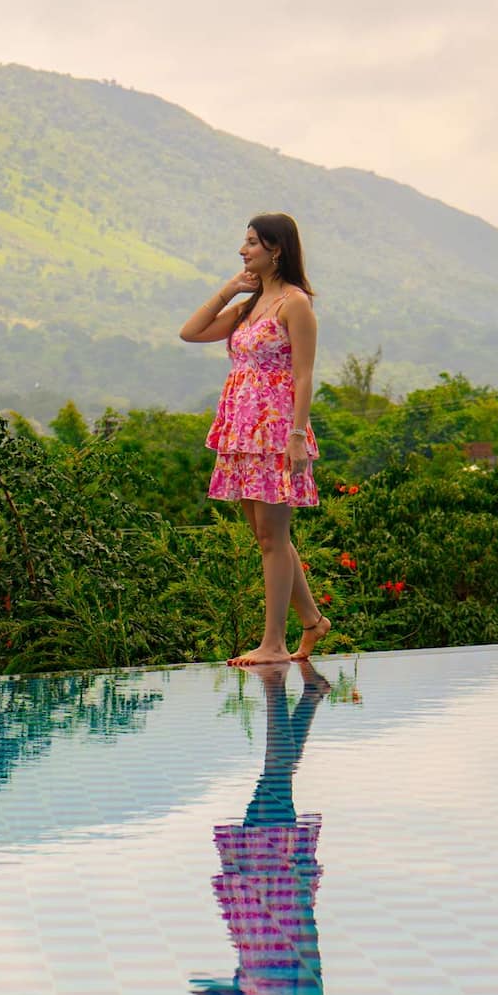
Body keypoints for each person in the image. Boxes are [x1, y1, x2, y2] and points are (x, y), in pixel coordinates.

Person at [180, 212, 331, 665]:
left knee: (272, 536)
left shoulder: (294, 304)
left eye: (251, 243)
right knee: (267, 536)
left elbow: (304, 375)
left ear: (276, 249)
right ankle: (313, 623)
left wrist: (298, 436)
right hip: (241, 430)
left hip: (276, 431)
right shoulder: (250, 305)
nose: (243, 251)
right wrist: (230, 289)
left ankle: (274, 643)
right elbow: (191, 332)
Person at [189, 661, 332, 995]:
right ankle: (275, 686)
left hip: (263, 874)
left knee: (277, 776)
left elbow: (217, 992)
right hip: (275, 871)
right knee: (275, 774)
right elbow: (304, 937)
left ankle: (311, 694)